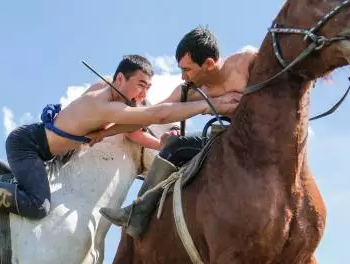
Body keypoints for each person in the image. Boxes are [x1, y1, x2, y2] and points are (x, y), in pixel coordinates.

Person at [0, 55, 216, 220]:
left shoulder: (110, 92)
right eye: (140, 85)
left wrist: (150, 138)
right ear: (120, 78)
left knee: (24, 183)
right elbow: (150, 118)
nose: (143, 93)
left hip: (42, 151)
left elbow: (130, 127)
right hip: (28, 145)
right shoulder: (104, 104)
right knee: (38, 204)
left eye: (148, 87)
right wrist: (203, 108)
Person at [99, 26, 258, 237]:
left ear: (209, 64)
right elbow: (151, 114)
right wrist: (103, 132)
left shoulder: (246, 63)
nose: (183, 77)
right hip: (227, 142)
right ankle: (137, 213)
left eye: (187, 69)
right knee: (177, 145)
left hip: (266, 139)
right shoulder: (189, 92)